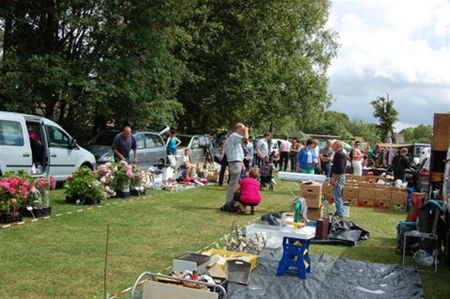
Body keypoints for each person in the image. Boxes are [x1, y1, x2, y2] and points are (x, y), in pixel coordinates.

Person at [221, 123, 249, 212]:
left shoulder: (235, 138)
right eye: (243, 129)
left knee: (235, 183)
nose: (244, 130)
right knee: (233, 184)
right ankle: (229, 204)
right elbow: (246, 139)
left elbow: (240, 151)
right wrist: (246, 130)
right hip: (234, 162)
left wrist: (242, 165)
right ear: (239, 129)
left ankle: (232, 203)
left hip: (237, 162)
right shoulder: (234, 135)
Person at [331, 140, 347, 218]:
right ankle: (338, 211)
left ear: (337, 145)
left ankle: (340, 213)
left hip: (339, 177)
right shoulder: (340, 154)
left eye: (333, 145)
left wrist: (335, 179)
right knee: (337, 195)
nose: (331, 146)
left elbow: (340, 169)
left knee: (337, 196)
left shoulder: (339, 154)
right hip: (339, 176)